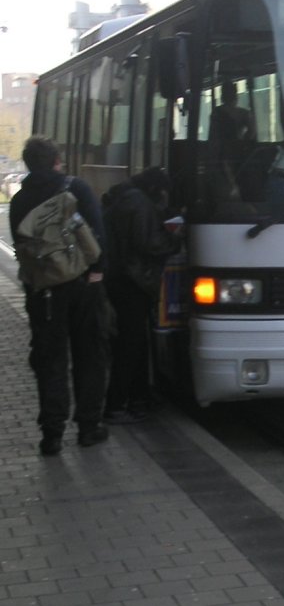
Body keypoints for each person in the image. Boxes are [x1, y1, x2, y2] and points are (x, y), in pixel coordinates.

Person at [9, 136, 110, 455]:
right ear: (55, 161)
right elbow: (97, 231)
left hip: (43, 292)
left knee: (50, 359)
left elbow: (21, 246)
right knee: (89, 355)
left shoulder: (20, 200)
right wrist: (98, 271)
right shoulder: (74, 188)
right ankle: (88, 427)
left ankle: (51, 434)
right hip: (82, 285)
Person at [103, 167, 182, 424]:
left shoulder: (125, 197)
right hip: (131, 282)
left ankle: (139, 397)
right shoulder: (137, 202)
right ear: (155, 189)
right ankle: (115, 405)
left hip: (122, 279)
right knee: (130, 345)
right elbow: (149, 242)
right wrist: (174, 240)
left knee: (135, 342)